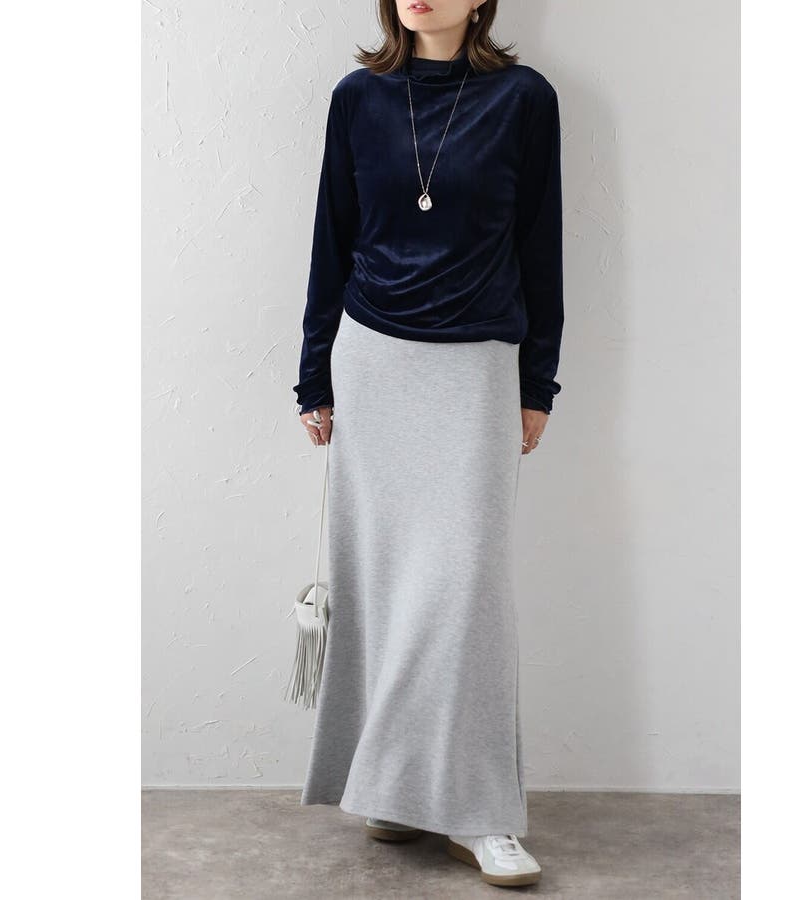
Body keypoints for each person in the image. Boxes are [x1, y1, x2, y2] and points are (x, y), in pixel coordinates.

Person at [291, 0, 564, 888]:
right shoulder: (357, 97)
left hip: (477, 366)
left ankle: (481, 813)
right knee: (384, 590)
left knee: (465, 593)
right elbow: (331, 237)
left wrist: (536, 382)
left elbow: (541, 246)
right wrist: (314, 373)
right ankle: (397, 790)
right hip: (373, 361)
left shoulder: (524, 100)